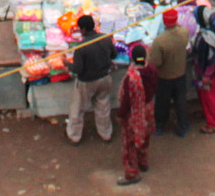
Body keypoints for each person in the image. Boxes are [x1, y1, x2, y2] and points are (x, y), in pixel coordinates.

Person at [66, 13, 115, 144]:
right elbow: (114, 54)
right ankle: (106, 134)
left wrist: (67, 64)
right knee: (103, 107)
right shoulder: (105, 38)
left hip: (87, 82)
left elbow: (77, 69)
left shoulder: (81, 48)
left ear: (82, 29)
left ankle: (74, 136)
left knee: (78, 109)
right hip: (105, 78)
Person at [116, 41, 155, 185]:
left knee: (129, 143)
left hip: (134, 113)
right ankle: (143, 162)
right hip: (148, 109)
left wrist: (120, 114)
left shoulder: (131, 78)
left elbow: (127, 101)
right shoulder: (152, 70)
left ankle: (132, 173)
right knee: (145, 137)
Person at [150, 8, 191, 139]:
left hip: (165, 77)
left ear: (163, 21)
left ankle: (160, 126)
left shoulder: (159, 41)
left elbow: (155, 62)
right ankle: (182, 127)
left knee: (162, 103)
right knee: (180, 102)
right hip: (180, 74)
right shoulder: (184, 33)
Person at [190, 10, 215, 135]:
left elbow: (212, 60)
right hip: (202, 73)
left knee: (211, 97)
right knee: (204, 95)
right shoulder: (207, 33)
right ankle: (207, 114)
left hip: (207, 76)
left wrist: (206, 76)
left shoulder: (207, 39)